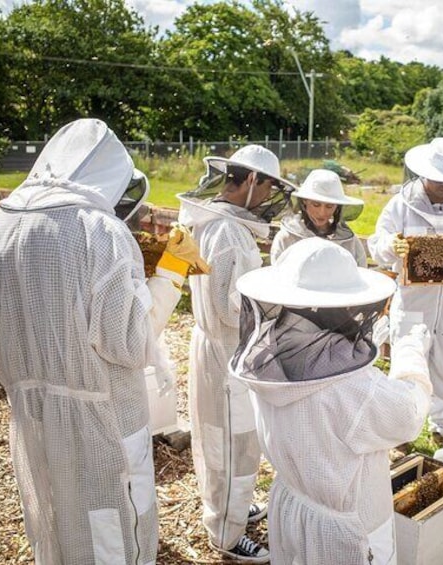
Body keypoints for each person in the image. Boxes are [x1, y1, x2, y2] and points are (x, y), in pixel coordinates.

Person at [0, 118, 208, 565]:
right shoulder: (98, 230)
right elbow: (129, 341)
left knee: (56, 522)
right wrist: (169, 272)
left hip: (31, 412)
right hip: (104, 417)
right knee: (111, 532)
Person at [230, 237, 433, 564]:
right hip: (347, 529)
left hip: (292, 501)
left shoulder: (269, 355)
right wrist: (411, 353)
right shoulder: (353, 389)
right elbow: (408, 413)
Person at [177, 145, 295, 563]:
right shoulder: (226, 232)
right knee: (231, 443)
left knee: (225, 439)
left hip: (217, 348)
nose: (268, 196)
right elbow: (231, 309)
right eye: (267, 186)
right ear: (249, 181)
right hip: (228, 352)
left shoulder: (210, 221)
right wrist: (278, 302)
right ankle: (226, 536)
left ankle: (232, 508)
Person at [368, 137, 443, 441]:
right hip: (412, 301)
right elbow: (378, 242)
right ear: (423, 173)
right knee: (408, 364)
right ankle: (399, 431)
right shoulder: (400, 205)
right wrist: (391, 246)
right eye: (437, 180)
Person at [270, 168, 368, 266]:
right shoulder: (286, 238)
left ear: (337, 206)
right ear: (304, 201)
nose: (322, 212)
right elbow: (278, 275)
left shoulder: (351, 243)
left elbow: (362, 273)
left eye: (329, 206)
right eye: (316, 205)